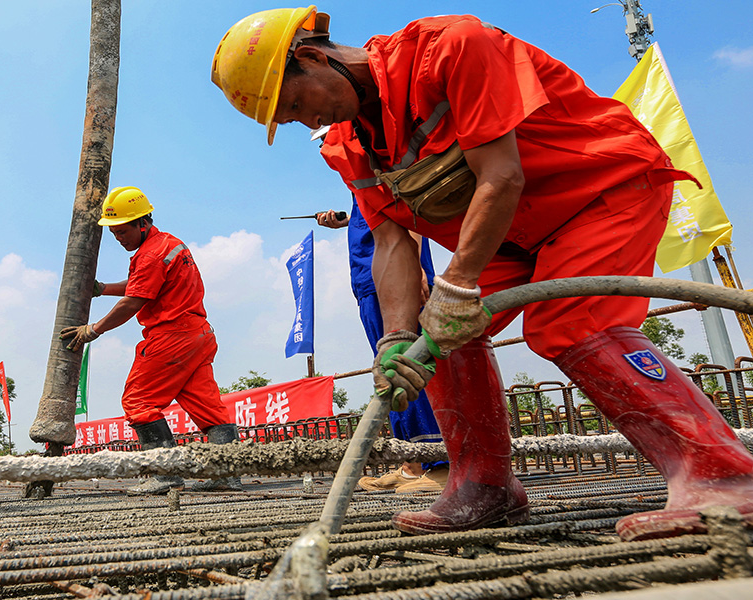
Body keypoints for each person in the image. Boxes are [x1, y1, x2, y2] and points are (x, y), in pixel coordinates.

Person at [211, 8, 753, 541]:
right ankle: (483, 485)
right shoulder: (347, 145)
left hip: (598, 191)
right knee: (435, 340)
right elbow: (390, 238)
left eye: (297, 105)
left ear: (311, 58)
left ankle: (722, 475)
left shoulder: (451, 48)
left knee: (569, 323)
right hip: (511, 234)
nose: (311, 122)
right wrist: (400, 338)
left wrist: (456, 286)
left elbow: (501, 174)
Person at [60, 186, 240, 493]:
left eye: (123, 231)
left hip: (171, 337)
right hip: (198, 335)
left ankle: (166, 475)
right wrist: (103, 289)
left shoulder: (150, 255)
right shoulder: (168, 244)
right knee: (208, 408)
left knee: (138, 400)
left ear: (142, 222)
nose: (119, 239)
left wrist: (93, 330)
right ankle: (228, 474)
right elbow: (141, 284)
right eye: (114, 233)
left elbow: (133, 302)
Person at [311, 149, 448, 493]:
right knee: (389, 367)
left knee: (408, 363)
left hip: (393, 273)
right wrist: (342, 222)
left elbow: (407, 207)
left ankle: (440, 464)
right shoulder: (357, 172)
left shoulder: (377, 149)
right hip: (369, 276)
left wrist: (416, 265)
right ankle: (413, 465)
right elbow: (372, 215)